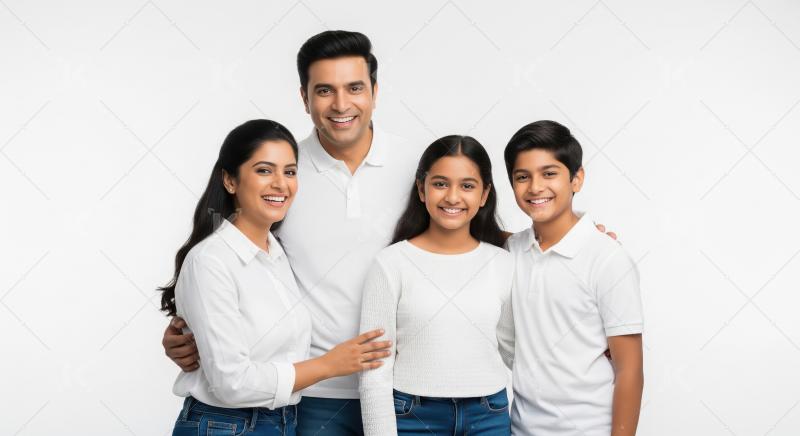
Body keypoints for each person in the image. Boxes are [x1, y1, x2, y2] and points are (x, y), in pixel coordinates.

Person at [163, 31, 422, 435]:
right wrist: (186, 328)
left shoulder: (419, 165)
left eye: (354, 87)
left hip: (404, 392)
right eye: (324, 90)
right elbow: (219, 262)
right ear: (304, 97)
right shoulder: (285, 171)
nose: (341, 104)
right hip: (310, 400)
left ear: (374, 90)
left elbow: (467, 241)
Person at [159, 119, 391, 436]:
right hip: (225, 426)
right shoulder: (210, 260)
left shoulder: (277, 255)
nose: (281, 184)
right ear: (230, 180)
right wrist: (329, 365)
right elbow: (231, 383)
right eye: (264, 170)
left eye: (290, 171)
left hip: (282, 423)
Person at [359, 135, 515, 435]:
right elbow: (374, 368)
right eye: (440, 183)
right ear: (422, 189)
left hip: (489, 415)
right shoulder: (391, 263)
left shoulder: (503, 262)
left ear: (484, 194)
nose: (453, 197)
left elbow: (518, 351)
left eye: (467, 186)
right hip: (412, 416)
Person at [503, 120, 644, 436]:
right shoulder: (511, 251)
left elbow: (629, 369)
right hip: (521, 429)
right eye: (522, 177)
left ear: (576, 179)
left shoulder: (607, 258)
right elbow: (469, 235)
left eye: (549, 174)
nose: (535, 187)